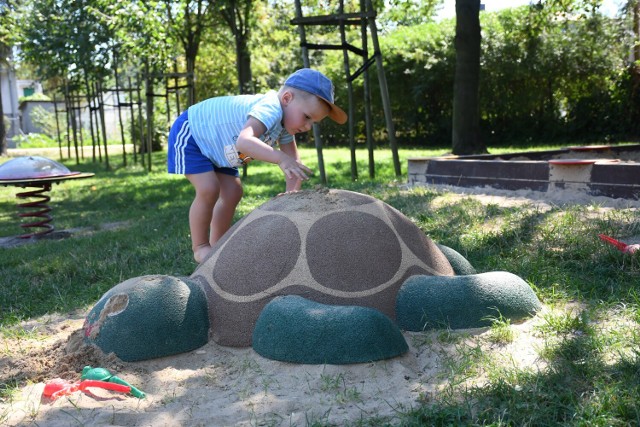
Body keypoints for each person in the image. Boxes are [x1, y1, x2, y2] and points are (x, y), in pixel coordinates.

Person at [167, 68, 348, 263]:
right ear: (287, 98)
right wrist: (280, 158)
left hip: (220, 150)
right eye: (306, 117)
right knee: (209, 188)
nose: (307, 126)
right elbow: (244, 142)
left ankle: (216, 247)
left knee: (233, 192)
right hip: (194, 133)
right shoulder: (271, 107)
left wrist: (291, 196)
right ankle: (200, 247)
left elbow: (293, 165)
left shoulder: (285, 126)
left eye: (313, 122)